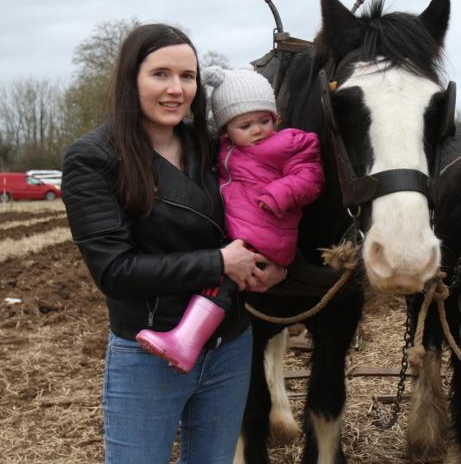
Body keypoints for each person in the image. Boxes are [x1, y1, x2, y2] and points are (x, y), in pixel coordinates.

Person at [61, 23, 285, 463]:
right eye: (160, 74)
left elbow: (252, 216)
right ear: (131, 79)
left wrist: (270, 264)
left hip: (229, 347)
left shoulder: (212, 145)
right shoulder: (94, 158)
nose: (176, 89)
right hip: (149, 353)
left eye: (187, 76)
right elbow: (115, 272)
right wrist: (220, 263)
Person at [136, 65, 324, 369]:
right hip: (243, 231)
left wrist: (279, 193)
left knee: (219, 280)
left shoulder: (289, 144)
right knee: (216, 271)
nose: (258, 130)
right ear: (225, 130)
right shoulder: (225, 150)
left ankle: (186, 341)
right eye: (245, 125)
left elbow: (310, 178)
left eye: (265, 120)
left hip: (265, 233)